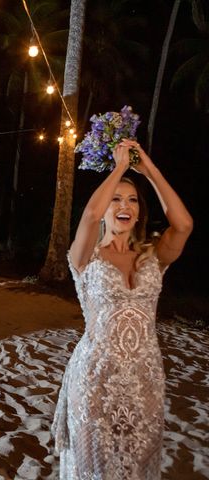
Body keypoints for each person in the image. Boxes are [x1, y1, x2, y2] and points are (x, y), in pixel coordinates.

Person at [51, 139, 193, 479]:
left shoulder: (153, 256)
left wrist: (149, 170)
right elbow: (89, 214)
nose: (124, 205)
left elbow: (184, 225)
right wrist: (119, 169)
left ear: (140, 211)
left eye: (131, 200)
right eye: (116, 199)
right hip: (95, 379)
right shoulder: (84, 256)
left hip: (145, 378)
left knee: (138, 467)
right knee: (95, 469)